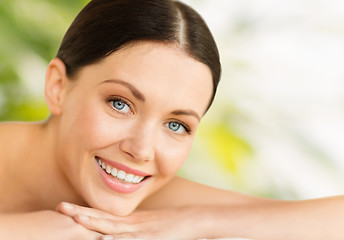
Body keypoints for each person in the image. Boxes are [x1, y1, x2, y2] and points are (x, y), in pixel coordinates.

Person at [0, 0, 343, 239]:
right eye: (120, 104)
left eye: (176, 125)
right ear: (58, 87)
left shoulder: (151, 202)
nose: (142, 150)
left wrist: (198, 220)